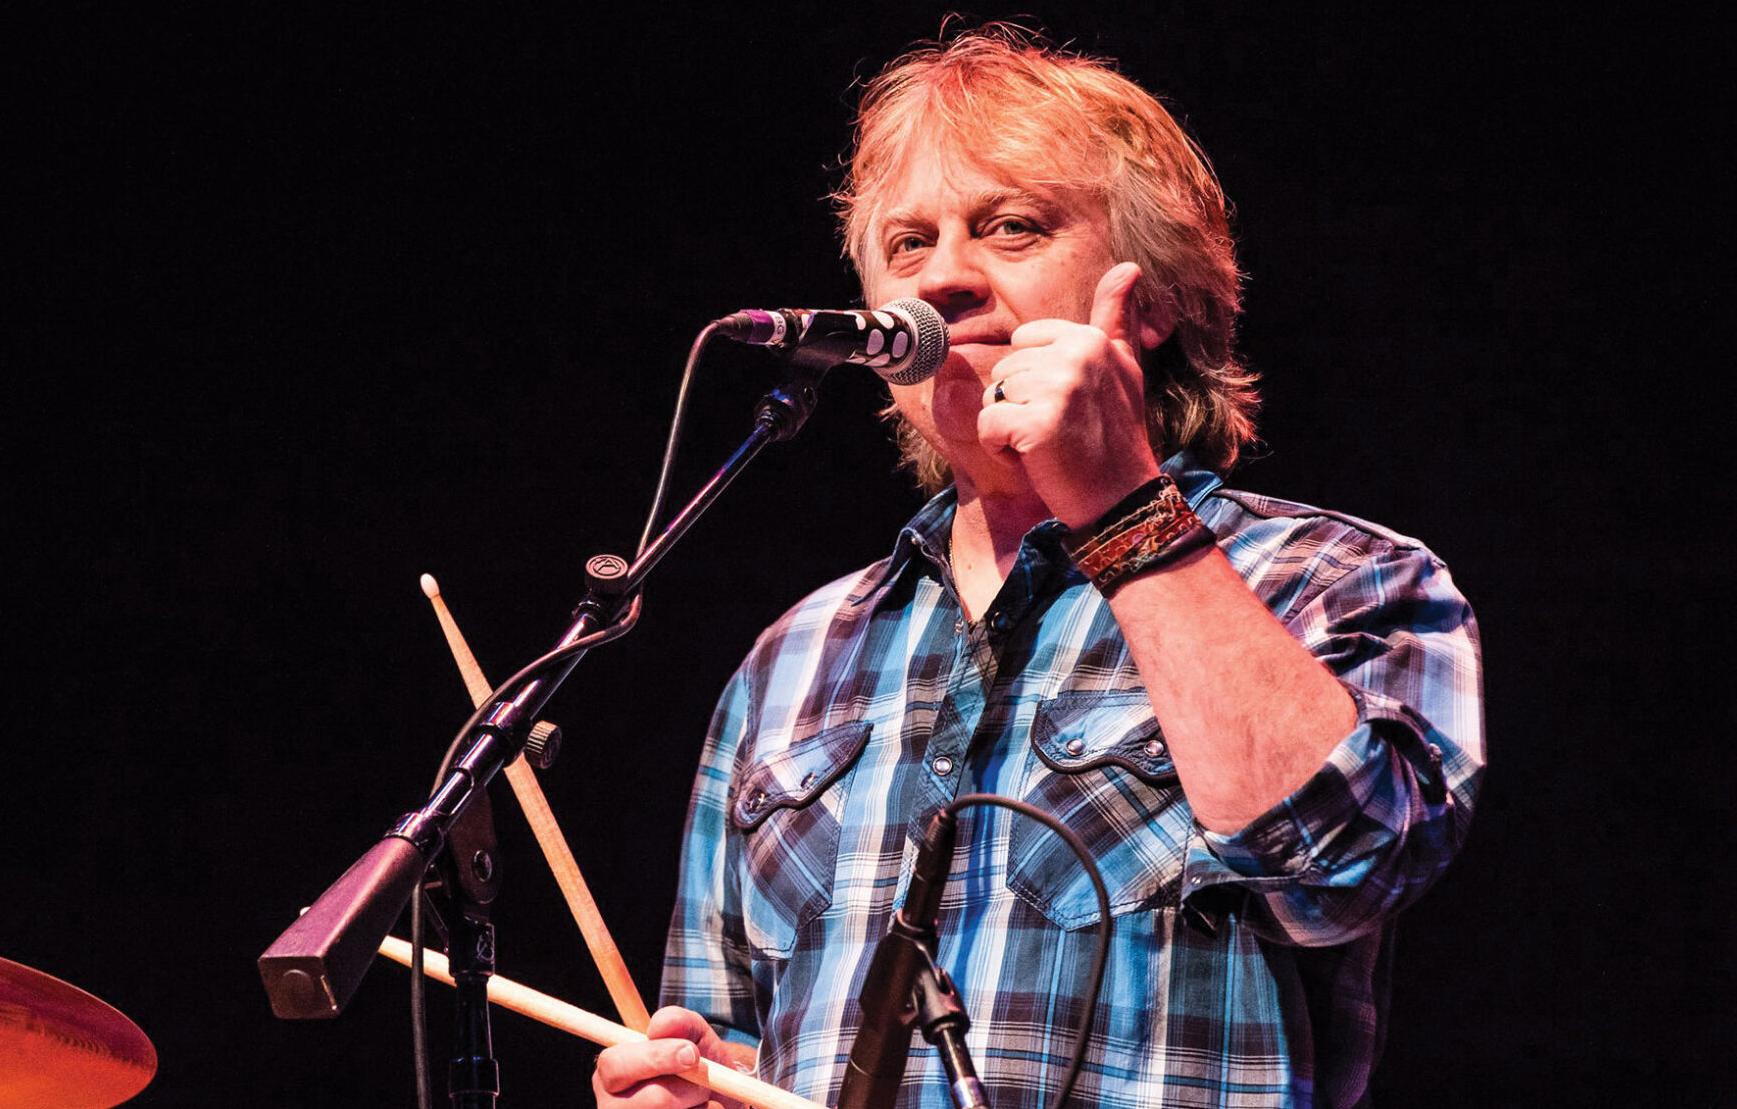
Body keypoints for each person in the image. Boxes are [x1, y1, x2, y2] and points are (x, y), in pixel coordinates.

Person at [595, 27, 1483, 1109]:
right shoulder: (793, 655)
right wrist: (691, 1087)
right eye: (908, 245)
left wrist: (1120, 510)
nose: (946, 280)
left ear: (1150, 298)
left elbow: (1343, 867)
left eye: (1011, 227)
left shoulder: (1339, 579)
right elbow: (725, 1024)